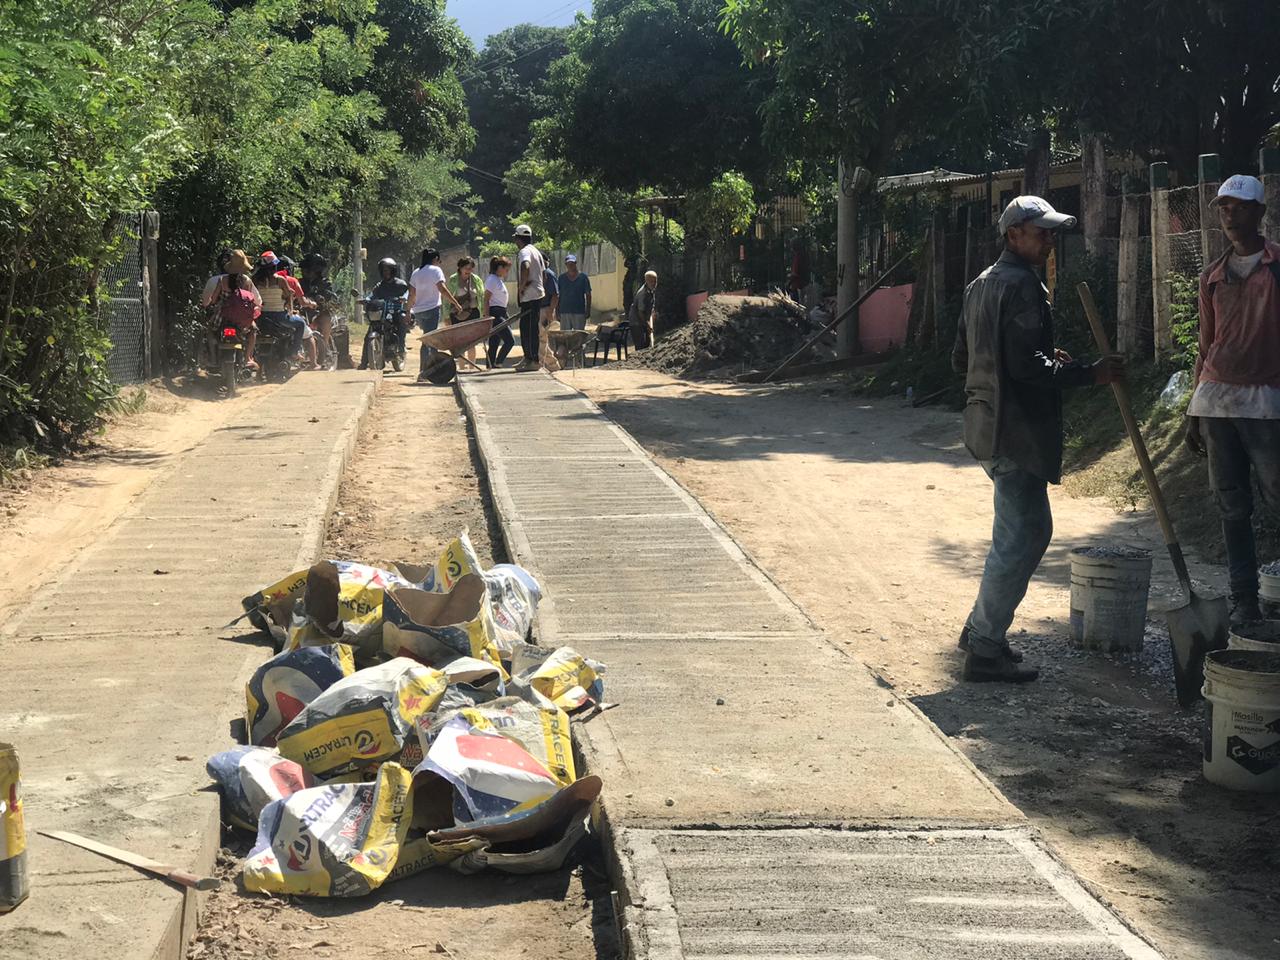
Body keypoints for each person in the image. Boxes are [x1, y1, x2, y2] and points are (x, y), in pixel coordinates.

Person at [951, 196, 1125, 683]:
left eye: (1050, 232)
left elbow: (962, 359)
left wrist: (1047, 356)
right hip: (1017, 430)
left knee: (1015, 534)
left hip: (985, 426)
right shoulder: (1024, 286)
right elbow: (1026, 367)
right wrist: (1088, 374)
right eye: (1041, 232)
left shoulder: (980, 285)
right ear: (1013, 235)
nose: (1049, 240)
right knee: (1025, 535)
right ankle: (985, 648)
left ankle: (978, 629)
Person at [1184, 174, 1280, 624]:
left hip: (1267, 401)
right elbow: (1206, 346)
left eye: (1238, 206)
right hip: (1217, 402)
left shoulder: (1277, 267)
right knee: (1232, 504)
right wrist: (1192, 411)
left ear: (1260, 213)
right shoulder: (1213, 276)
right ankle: (1245, 598)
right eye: (1223, 206)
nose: (1229, 213)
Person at [408, 248, 463, 382]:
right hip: (432, 309)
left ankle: (427, 370)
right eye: (439, 260)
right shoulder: (436, 270)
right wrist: (455, 303)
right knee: (430, 341)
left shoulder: (416, 272)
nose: (440, 263)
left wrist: (407, 311)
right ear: (435, 259)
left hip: (419, 311)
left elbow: (412, 295)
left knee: (427, 339)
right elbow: (442, 289)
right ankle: (427, 372)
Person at [208, 249, 259, 368]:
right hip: (242, 319)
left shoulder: (223, 280)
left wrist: (211, 303)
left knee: (210, 330)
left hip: (223, 316)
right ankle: (248, 358)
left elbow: (214, 299)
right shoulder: (247, 281)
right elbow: (253, 299)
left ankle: (214, 359)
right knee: (253, 331)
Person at [252, 255, 306, 359]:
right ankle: (295, 352)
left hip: (261, 317)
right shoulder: (280, 280)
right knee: (301, 324)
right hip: (279, 316)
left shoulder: (255, 280)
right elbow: (288, 295)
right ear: (274, 267)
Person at [360, 257, 410, 370]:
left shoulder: (401, 284)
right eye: (383, 270)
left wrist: (404, 298)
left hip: (395, 311)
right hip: (382, 312)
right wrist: (366, 299)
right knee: (369, 333)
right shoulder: (379, 285)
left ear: (393, 271)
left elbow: (407, 293)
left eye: (388, 270)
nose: (386, 273)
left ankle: (401, 348)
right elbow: (372, 295)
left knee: (402, 318)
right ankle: (363, 362)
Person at [513, 224, 546, 371]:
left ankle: (533, 360)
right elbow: (544, 275)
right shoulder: (536, 251)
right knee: (525, 327)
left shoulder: (524, 252)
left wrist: (521, 288)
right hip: (536, 294)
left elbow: (525, 267)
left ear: (519, 239)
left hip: (530, 295)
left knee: (531, 329)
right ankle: (527, 358)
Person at [447, 256, 485, 369]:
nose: (468, 270)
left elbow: (482, 297)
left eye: (470, 268)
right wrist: (446, 316)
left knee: (472, 342)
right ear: (460, 267)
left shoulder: (476, 280)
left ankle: (472, 367)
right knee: (460, 343)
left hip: (473, 313)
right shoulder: (453, 279)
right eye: (466, 268)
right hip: (457, 315)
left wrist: (483, 314)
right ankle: (462, 368)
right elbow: (446, 298)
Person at [485, 256, 515, 368]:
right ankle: (499, 361)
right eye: (506, 270)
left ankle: (490, 364)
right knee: (510, 341)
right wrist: (487, 317)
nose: (507, 273)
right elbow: (486, 299)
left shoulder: (498, 280)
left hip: (502, 312)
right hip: (495, 313)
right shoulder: (492, 279)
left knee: (494, 342)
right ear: (500, 267)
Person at [557, 254, 592, 332]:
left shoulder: (583, 277)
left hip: (579, 312)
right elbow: (558, 296)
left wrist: (588, 310)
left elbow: (588, 295)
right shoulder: (561, 278)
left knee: (579, 336)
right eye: (568, 263)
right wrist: (557, 311)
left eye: (572, 263)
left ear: (575, 263)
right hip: (564, 311)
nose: (570, 265)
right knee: (565, 337)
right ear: (566, 265)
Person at [538, 263, 560, 371]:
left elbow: (555, 295)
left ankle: (540, 363)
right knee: (542, 338)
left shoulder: (548, 274)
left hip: (545, 309)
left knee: (542, 338)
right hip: (538, 309)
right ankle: (553, 365)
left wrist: (550, 311)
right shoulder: (537, 273)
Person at [629, 270, 658, 348]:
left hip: (643, 321)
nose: (654, 283)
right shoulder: (643, 293)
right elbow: (640, 312)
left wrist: (651, 318)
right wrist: (647, 325)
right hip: (636, 322)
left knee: (647, 344)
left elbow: (651, 309)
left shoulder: (651, 291)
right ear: (646, 281)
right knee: (640, 346)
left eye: (655, 281)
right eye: (651, 281)